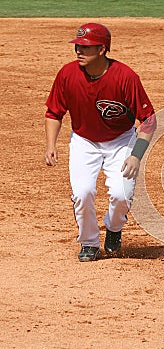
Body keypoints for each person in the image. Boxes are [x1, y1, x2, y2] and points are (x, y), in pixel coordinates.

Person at [44, 22, 156, 262]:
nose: (78, 51)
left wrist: (136, 154)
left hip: (121, 142)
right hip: (84, 141)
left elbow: (148, 119)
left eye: (86, 47)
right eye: (77, 46)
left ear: (102, 49)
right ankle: (89, 243)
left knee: (121, 195)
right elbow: (54, 113)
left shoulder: (125, 77)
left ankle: (114, 228)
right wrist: (51, 145)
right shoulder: (67, 74)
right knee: (83, 193)